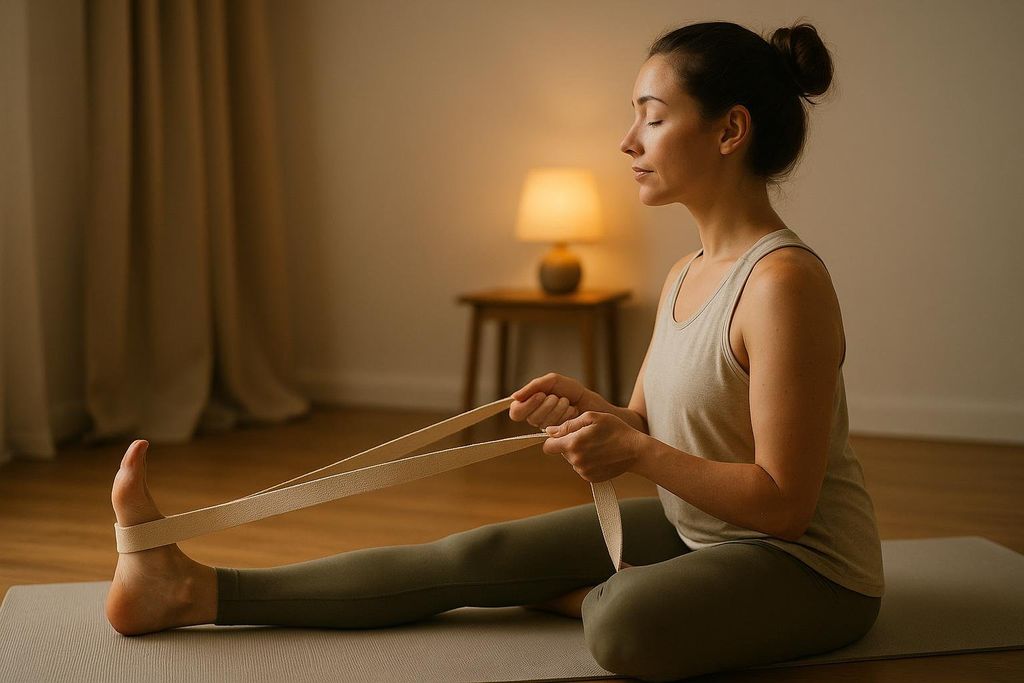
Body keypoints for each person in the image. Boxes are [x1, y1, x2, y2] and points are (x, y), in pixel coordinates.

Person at [105, 19, 884, 681]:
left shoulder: (783, 284)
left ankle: (604, 593)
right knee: (478, 552)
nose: (627, 140)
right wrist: (594, 413)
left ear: (729, 130)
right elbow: (646, 424)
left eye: (650, 115)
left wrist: (632, 451)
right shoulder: (687, 270)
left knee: (621, 623)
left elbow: (785, 505)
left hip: (807, 572)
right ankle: (189, 588)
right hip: (698, 531)